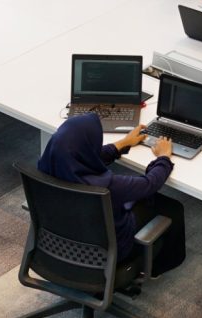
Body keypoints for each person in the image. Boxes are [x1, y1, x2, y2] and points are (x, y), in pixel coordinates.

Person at [38, 113, 185, 277]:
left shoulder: (48, 168)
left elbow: (91, 156)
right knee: (171, 207)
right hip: (110, 252)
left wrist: (123, 143)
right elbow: (150, 183)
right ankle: (158, 268)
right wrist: (164, 157)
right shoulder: (107, 187)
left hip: (59, 244)